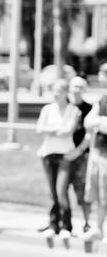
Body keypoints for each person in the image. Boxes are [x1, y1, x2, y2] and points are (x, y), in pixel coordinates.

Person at [34, 78, 80, 240]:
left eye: (59, 91)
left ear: (65, 92)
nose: (55, 94)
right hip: (48, 153)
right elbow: (39, 129)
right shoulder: (47, 109)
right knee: (52, 190)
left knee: (61, 190)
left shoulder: (73, 110)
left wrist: (51, 129)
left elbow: (67, 131)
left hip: (65, 154)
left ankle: (66, 224)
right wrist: (56, 128)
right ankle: (54, 223)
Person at [82, 64, 107, 243]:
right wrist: (101, 121)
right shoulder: (103, 99)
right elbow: (88, 121)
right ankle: (98, 228)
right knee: (98, 193)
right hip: (98, 151)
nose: (102, 77)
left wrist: (99, 122)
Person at [66, 76, 93, 234]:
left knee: (82, 190)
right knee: (61, 190)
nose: (76, 90)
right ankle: (64, 224)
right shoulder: (65, 106)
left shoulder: (89, 109)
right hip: (64, 154)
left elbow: (90, 135)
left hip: (82, 156)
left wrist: (78, 151)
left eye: (80, 87)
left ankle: (87, 222)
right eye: (74, 86)